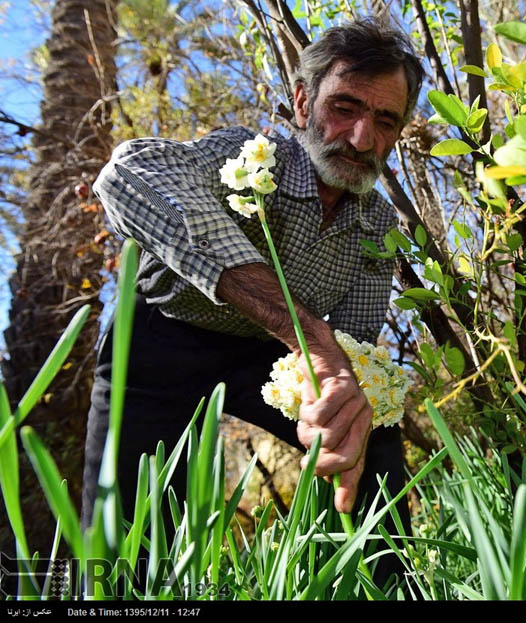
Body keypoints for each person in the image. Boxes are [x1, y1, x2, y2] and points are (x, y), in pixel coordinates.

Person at [81, 19, 425, 589]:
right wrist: (310, 336)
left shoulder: (378, 227)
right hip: (158, 341)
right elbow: (127, 175)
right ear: (301, 102)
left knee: (367, 425)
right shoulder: (244, 156)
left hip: (270, 361)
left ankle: (373, 585)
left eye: (384, 120)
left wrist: (338, 404)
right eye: (343, 107)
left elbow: (354, 350)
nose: (362, 139)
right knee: (125, 535)